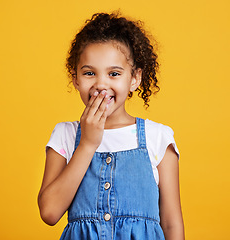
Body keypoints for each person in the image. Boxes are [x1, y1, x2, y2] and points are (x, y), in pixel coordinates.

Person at [38, 12, 185, 240]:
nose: (101, 84)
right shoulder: (65, 135)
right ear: (75, 78)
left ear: (134, 79)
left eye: (114, 73)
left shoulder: (158, 137)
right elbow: (49, 212)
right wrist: (87, 144)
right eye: (89, 73)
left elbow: (171, 222)